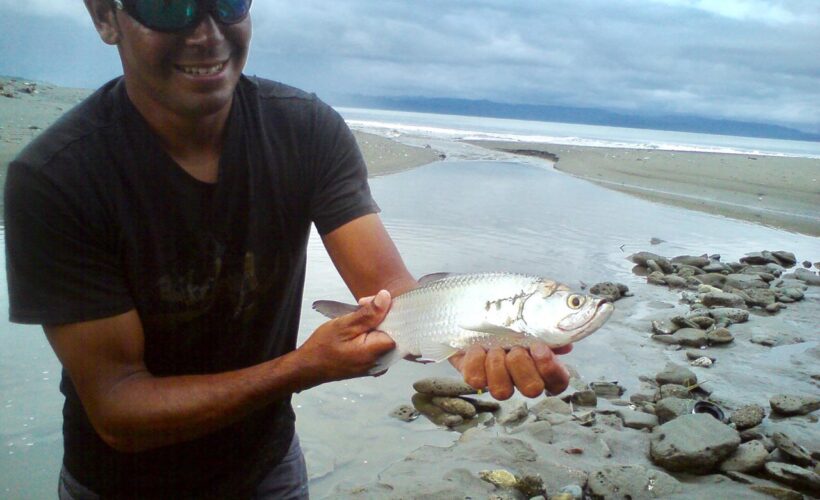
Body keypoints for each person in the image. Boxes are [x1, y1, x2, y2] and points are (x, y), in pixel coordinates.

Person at [3, 0, 571, 497]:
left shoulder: (305, 131)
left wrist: (475, 339)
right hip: (119, 487)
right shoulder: (57, 180)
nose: (206, 32)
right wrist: (303, 368)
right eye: (169, 4)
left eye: (227, 2)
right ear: (105, 15)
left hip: (266, 471)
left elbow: (393, 299)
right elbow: (119, 410)